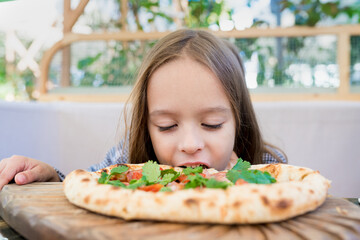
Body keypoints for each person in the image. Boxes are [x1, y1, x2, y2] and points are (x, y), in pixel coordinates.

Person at [0, 29, 287, 189]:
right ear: (146, 125)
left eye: (212, 124)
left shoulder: (267, 167)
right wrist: (52, 178)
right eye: (166, 126)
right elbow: (85, 186)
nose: (190, 145)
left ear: (239, 120)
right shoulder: (126, 159)